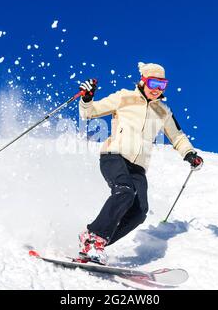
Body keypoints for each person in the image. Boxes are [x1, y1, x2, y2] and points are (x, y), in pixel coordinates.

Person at [77, 62, 203, 265]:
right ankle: (93, 238)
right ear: (143, 81)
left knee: (139, 212)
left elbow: (177, 136)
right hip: (114, 155)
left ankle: (96, 244)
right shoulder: (124, 97)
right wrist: (87, 98)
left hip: (138, 166)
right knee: (124, 191)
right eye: (153, 83)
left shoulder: (163, 111)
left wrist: (189, 153)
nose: (157, 89)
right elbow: (89, 113)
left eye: (162, 85)